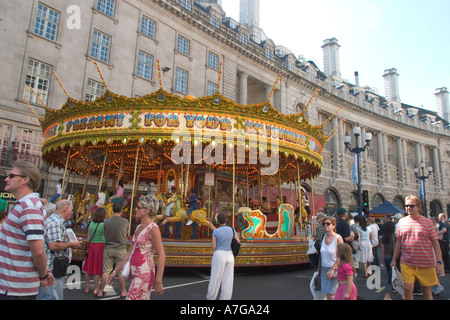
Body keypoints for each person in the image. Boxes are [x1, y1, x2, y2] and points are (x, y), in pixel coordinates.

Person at [0, 160, 55, 299]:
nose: (7, 178)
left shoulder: (29, 208)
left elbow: (38, 250)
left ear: (25, 180)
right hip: (11, 283)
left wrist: (43, 275)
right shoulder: (23, 205)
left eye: (12, 175)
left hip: (15, 287)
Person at [107, 195, 165, 300]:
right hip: (134, 271)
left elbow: (161, 254)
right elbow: (130, 252)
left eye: (138, 207)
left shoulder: (153, 229)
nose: (135, 209)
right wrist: (115, 271)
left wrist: (158, 281)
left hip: (144, 272)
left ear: (147, 210)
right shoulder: (139, 227)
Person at [391, 195, 444, 300]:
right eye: (406, 206)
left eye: (411, 206)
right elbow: (398, 242)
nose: (408, 208)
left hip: (425, 263)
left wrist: (439, 262)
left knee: (426, 291)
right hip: (407, 262)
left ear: (418, 207)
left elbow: (435, 243)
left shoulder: (427, 222)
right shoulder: (402, 222)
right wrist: (394, 259)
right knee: (408, 288)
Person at [37, 199, 82, 300]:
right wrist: (70, 244)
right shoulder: (56, 223)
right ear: (66, 209)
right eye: (71, 209)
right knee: (52, 296)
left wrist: (71, 241)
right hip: (52, 266)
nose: (72, 212)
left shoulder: (54, 221)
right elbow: (54, 245)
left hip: (53, 266)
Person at [97, 202, 129, 298]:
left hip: (109, 247)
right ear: (121, 210)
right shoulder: (125, 221)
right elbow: (125, 233)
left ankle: (100, 291)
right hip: (120, 248)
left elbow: (105, 232)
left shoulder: (106, 222)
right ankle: (123, 291)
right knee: (120, 272)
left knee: (106, 271)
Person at [206, 212, 240, 300]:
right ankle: (225, 298)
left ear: (218, 221)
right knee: (228, 278)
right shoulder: (232, 230)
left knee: (215, 276)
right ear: (226, 220)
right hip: (230, 255)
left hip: (219, 254)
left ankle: (211, 297)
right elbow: (238, 242)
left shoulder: (216, 231)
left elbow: (213, 247)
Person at [83, 207, 106, 296]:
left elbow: (88, 236)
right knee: (97, 269)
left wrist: (88, 246)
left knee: (88, 268)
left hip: (91, 245)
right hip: (100, 246)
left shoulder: (91, 224)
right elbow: (105, 235)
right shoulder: (103, 225)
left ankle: (87, 287)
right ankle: (96, 288)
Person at [320, 216, 343, 300]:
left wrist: (333, 269)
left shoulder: (338, 238)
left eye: (328, 224)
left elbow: (341, 256)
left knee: (332, 294)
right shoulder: (323, 237)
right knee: (328, 293)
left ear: (334, 225)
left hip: (334, 268)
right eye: (324, 224)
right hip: (324, 268)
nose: (326, 225)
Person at [380, 220, 396, 300]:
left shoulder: (384, 237)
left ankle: (390, 292)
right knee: (393, 277)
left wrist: (382, 260)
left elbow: (382, 250)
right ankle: (387, 295)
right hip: (393, 258)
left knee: (390, 276)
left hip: (386, 258)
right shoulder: (394, 237)